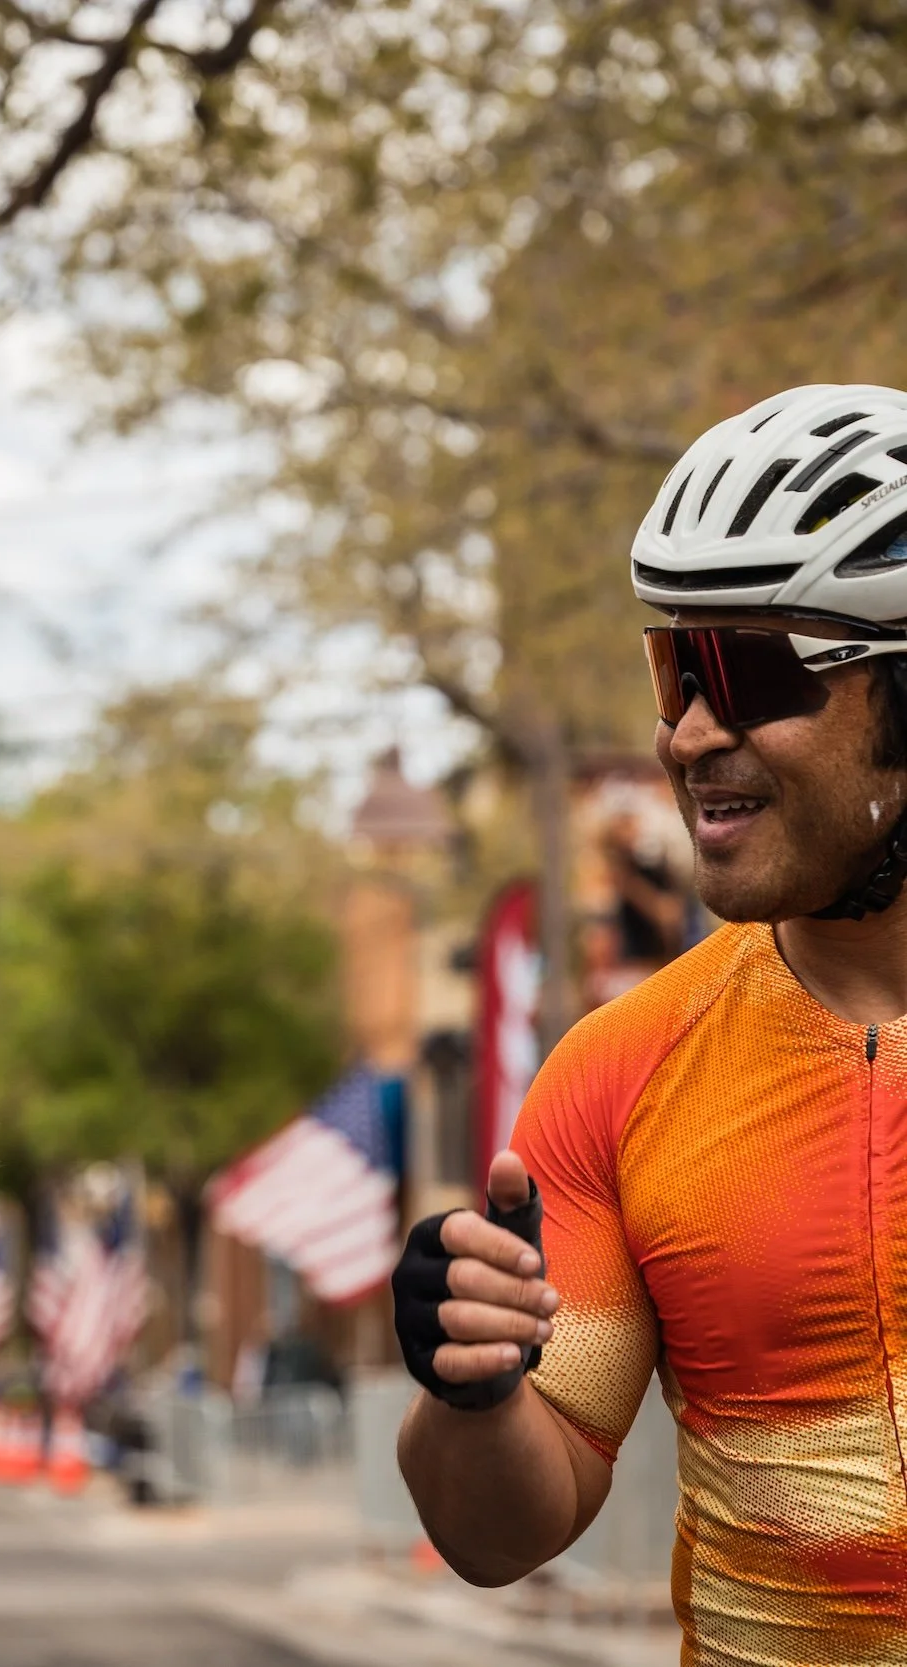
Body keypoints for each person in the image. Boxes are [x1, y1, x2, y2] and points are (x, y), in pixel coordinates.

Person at [393, 384, 907, 1660]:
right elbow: (504, 1531)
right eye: (673, 670)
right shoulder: (619, 1069)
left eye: (749, 673)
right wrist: (470, 1386)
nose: (685, 734)